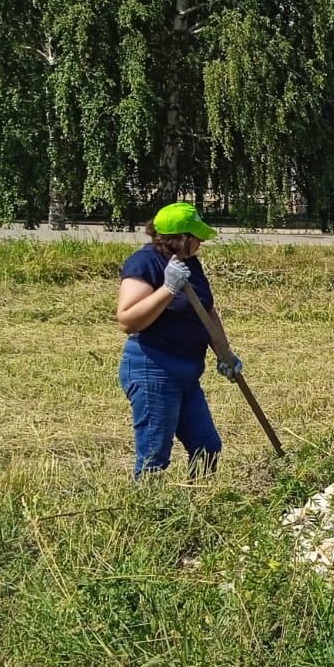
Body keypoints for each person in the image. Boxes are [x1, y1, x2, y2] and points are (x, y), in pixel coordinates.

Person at [115, 202, 243, 477]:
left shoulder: (190, 264)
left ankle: (199, 505)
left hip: (187, 372)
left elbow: (206, 309)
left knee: (207, 448)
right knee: (154, 457)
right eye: (195, 236)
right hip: (153, 368)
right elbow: (127, 320)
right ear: (178, 238)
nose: (200, 242)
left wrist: (225, 353)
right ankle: (147, 512)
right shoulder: (144, 262)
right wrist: (168, 289)